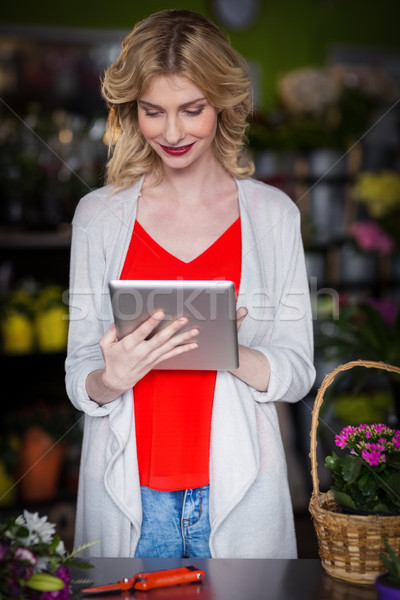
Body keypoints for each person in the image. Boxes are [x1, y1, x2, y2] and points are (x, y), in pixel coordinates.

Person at [65, 9, 315, 559]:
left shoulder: (272, 214)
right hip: (129, 492)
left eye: (192, 110)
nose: (172, 133)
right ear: (133, 111)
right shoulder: (99, 215)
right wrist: (111, 378)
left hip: (238, 491)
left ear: (223, 104)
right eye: (153, 112)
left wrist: (225, 349)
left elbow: (298, 373)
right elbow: (78, 371)